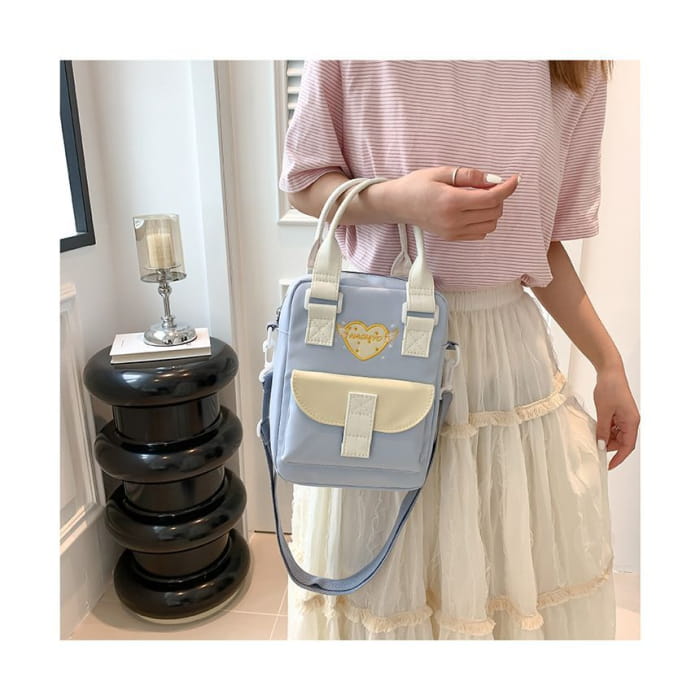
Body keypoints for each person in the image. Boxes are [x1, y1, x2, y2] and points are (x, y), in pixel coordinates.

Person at [278, 60, 640, 640]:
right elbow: (303, 183)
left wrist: (608, 364)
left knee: (503, 574)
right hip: (382, 352)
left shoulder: (573, 61)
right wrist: (399, 200)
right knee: (387, 582)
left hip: (507, 362)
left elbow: (540, 247)